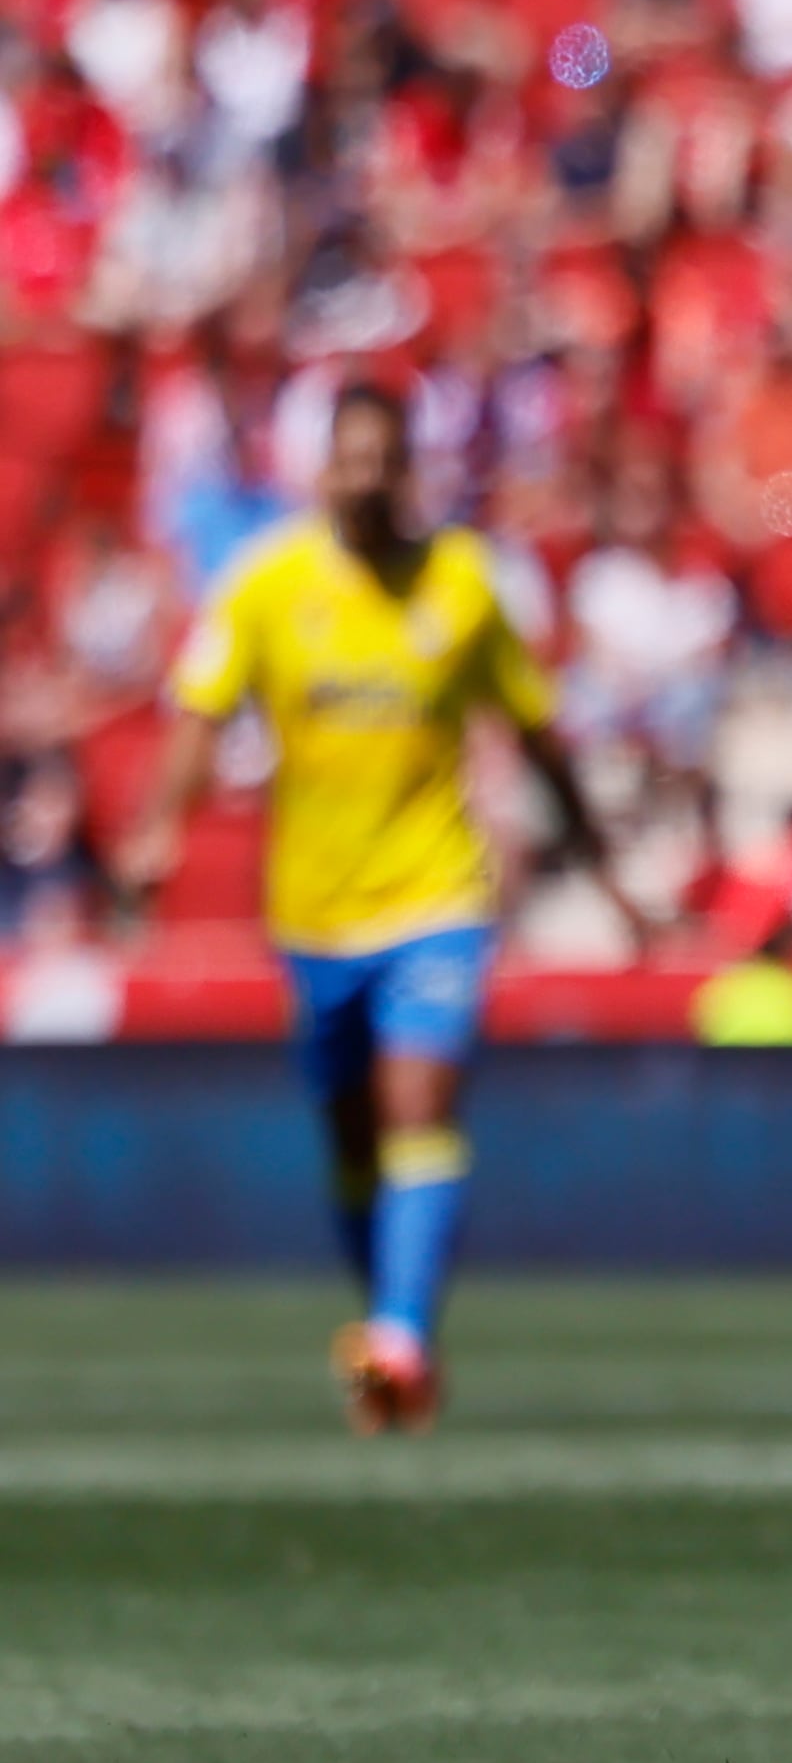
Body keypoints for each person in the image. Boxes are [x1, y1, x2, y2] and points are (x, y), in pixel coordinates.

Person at [115, 380, 635, 1432]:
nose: (362, 477)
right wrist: (162, 821)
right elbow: (201, 707)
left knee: (417, 1107)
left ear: (407, 469)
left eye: (380, 459)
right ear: (320, 470)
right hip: (313, 909)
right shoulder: (268, 584)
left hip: (435, 892)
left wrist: (592, 846)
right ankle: (391, 1325)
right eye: (344, 458)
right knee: (354, 1134)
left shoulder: (463, 585)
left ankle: (399, 1337)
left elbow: (532, 726)